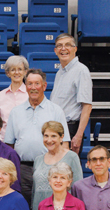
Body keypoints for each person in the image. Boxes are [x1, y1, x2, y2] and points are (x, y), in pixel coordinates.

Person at [4, 68, 70, 201]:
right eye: (29, 84)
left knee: (47, 205)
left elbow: (65, 144)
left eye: (37, 84)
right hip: (22, 169)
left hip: (49, 167)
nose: (33, 88)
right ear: (25, 86)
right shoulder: (16, 112)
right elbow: (9, 145)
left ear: (44, 86)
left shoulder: (56, 111)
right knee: (23, 206)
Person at [30, 120, 83, 210]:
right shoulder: (38, 160)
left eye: (53, 136)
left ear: (61, 137)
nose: (49, 140)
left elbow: (78, 189)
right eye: (46, 136)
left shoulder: (72, 157)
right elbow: (34, 192)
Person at [51, 33, 93, 153]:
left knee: (67, 165)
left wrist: (78, 135)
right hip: (56, 128)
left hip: (70, 129)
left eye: (68, 45)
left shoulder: (81, 71)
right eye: (59, 46)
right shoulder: (60, 72)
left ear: (75, 49)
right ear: (55, 51)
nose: (63, 48)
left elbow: (87, 106)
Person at [0, 55, 28, 136]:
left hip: (25, 140)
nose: (16, 72)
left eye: (20, 69)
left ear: (25, 72)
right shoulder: (0, 95)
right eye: (13, 70)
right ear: (8, 73)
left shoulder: (30, 94)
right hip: (4, 140)